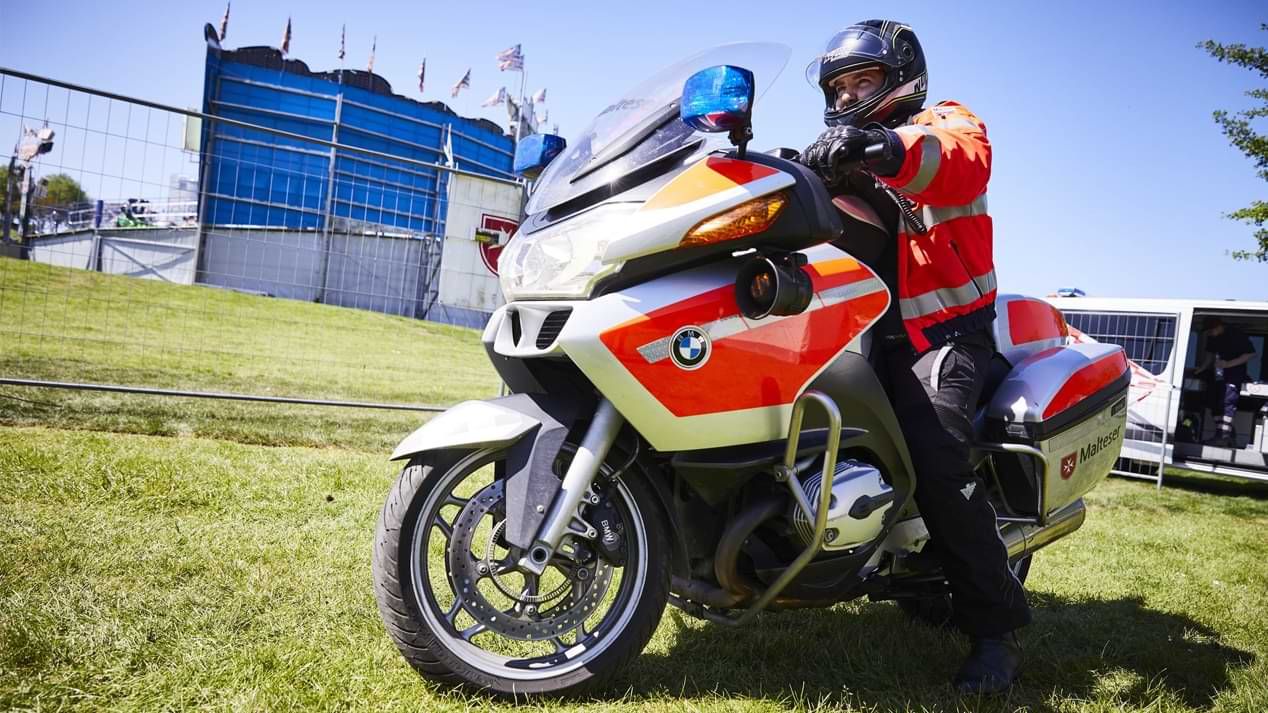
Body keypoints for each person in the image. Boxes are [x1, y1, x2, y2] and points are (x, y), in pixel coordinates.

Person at [799, 20, 1029, 694]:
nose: (847, 98)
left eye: (861, 81)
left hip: (944, 336)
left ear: (901, 77)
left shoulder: (944, 124)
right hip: (859, 335)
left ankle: (994, 628)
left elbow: (953, 158)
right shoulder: (837, 151)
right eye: (838, 88)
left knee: (935, 453)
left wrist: (878, 142)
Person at [1192, 317, 1256, 447]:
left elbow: (1250, 354)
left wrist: (1228, 364)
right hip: (1218, 376)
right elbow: (1210, 356)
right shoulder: (1213, 337)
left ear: (1219, 326)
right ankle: (1224, 434)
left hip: (1234, 375)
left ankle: (1224, 436)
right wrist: (1201, 369)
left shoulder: (1236, 335)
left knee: (1227, 403)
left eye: (1211, 330)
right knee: (1213, 402)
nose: (1210, 333)